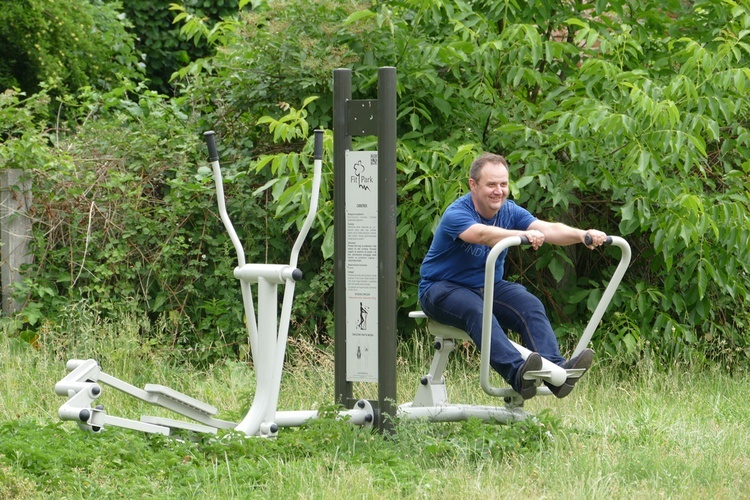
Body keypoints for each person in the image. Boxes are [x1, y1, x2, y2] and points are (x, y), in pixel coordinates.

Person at [418, 152, 608, 400]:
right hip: (441, 289)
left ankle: (557, 373)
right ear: (473, 185)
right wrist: (523, 235)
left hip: (487, 286)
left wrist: (583, 235)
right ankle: (518, 373)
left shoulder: (509, 211)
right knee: (477, 311)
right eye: (491, 185)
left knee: (529, 304)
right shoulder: (457, 213)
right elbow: (483, 235)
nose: (498, 191)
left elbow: (549, 228)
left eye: (503, 184)